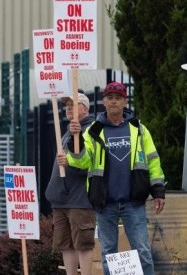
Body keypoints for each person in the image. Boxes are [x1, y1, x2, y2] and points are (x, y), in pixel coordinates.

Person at [60, 81, 166, 275]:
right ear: (104, 102)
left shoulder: (139, 129)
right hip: (105, 203)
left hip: (133, 202)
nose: (114, 102)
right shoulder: (93, 130)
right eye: (110, 98)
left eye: (118, 98)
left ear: (125, 102)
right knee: (109, 254)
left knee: (142, 251)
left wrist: (158, 190)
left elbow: (153, 161)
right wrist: (78, 143)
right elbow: (82, 162)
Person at [46, 92, 96, 275]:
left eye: (73, 105)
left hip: (79, 198)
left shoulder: (90, 130)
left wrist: (70, 162)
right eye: (66, 105)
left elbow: (90, 163)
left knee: (83, 243)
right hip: (61, 198)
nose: (68, 109)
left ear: (84, 108)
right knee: (65, 244)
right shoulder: (68, 132)